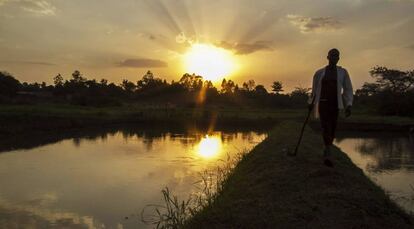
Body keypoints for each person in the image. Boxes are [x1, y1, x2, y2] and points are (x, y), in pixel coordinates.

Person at [308, 48, 353, 167]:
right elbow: (314, 90)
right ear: (327, 57)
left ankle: (327, 148)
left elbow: (348, 89)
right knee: (325, 126)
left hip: (335, 104)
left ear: (338, 58)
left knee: (332, 128)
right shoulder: (319, 73)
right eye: (332, 56)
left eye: (336, 56)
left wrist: (348, 105)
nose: (334, 58)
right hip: (322, 104)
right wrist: (310, 102)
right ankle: (328, 152)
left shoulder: (343, 72)